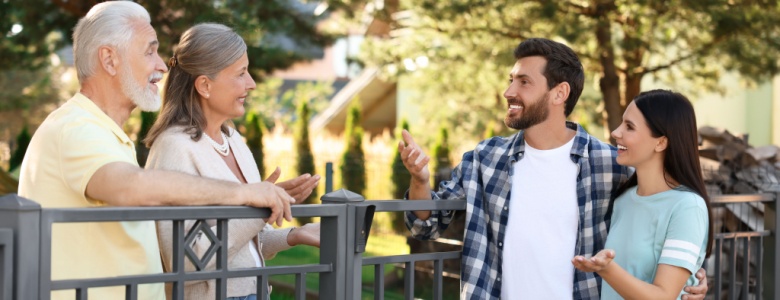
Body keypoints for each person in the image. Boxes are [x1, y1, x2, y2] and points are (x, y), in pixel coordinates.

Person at [16, 2, 299, 299]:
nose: (163, 65)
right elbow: (130, 187)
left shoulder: (109, 137)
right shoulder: (75, 129)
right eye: (149, 51)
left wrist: (286, 230)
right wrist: (245, 195)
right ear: (109, 60)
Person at [397, 38, 709, 299]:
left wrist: (689, 281)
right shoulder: (484, 159)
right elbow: (426, 225)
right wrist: (419, 180)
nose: (509, 92)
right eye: (511, 80)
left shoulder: (610, 164)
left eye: (524, 82)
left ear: (559, 93)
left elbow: (658, 218)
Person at [144, 23, 321, 300]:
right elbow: (184, 261)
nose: (251, 83)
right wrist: (259, 207)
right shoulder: (174, 148)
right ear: (204, 84)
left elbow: (244, 244)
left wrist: (294, 235)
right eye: (240, 74)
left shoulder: (233, 140)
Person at [572, 90, 713, 299]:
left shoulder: (687, 207)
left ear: (661, 142)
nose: (616, 132)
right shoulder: (623, 200)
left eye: (629, 127)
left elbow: (663, 296)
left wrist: (606, 269)